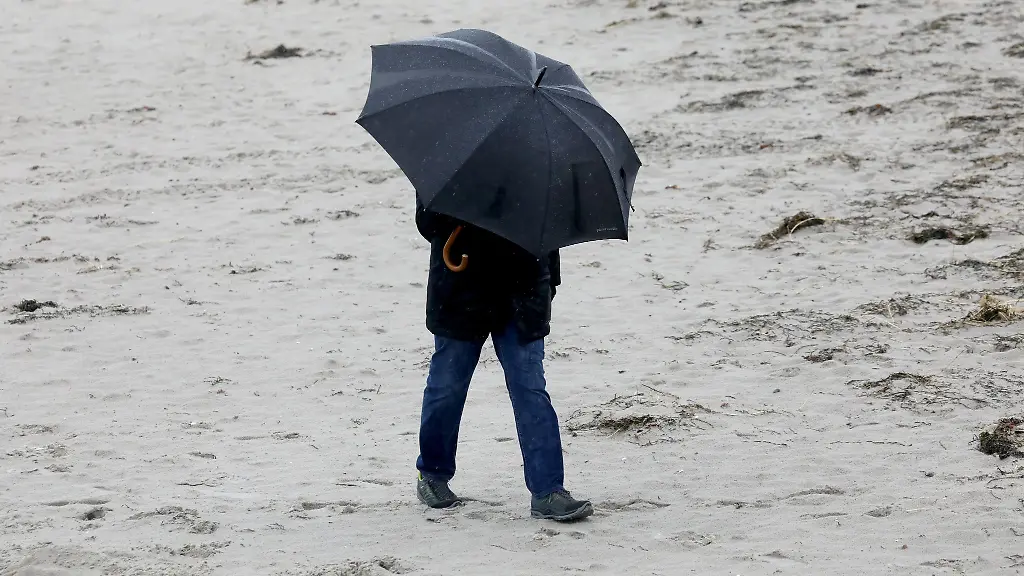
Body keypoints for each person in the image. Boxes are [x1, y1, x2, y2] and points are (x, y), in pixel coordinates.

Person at [412, 197, 594, 522]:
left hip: (522, 292)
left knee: (530, 389)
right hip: (461, 288)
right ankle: (433, 474)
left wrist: (549, 281)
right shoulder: (456, 159)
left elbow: (553, 229)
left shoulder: (543, 164)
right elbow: (428, 222)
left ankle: (548, 490)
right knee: (447, 389)